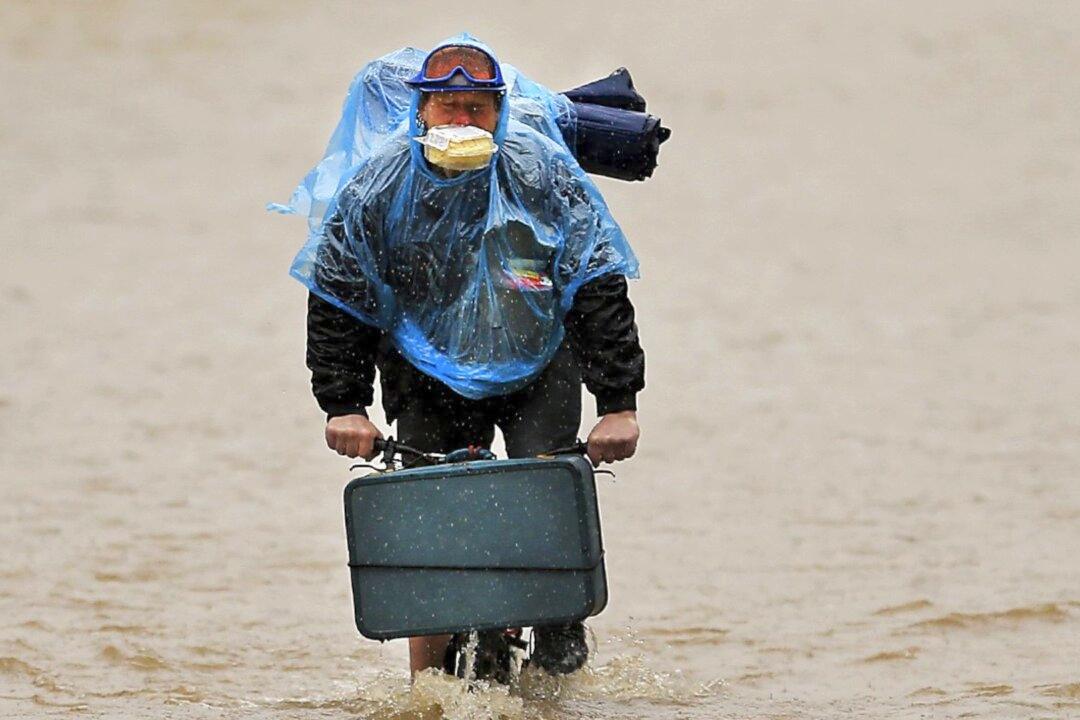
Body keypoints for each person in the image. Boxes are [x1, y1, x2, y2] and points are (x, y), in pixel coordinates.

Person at [296, 37, 645, 678]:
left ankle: (558, 647)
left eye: (476, 110)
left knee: (545, 497)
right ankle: (427, 690)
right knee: (432, 526)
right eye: (448, 108)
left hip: (537, 361)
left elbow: (596, 283)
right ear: (420, 113)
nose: (461, 122)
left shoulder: (541, 174)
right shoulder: (376, 188)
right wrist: (343, 404)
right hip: (424, 368)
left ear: (500, 113)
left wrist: (619, 403)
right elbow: (339, 298)